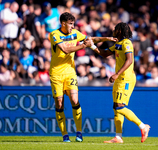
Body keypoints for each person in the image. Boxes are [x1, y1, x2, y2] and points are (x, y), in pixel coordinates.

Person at [49, 12, 117, 143]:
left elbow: (90, 39)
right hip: (56, 74)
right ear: (63, 23)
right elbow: (65, 50)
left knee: (75, 100)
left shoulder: (75, 33)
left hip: (70, 72)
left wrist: (107, 38)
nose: (73, 26)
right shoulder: (54, 35)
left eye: (73, 24)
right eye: (70, 24)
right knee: (59, 103)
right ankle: (65, 135)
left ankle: (79, 133)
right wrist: (83, 46)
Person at [91, 22, 150, 143]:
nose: (114, 30)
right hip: (119, 78)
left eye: (116, 29)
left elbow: (129, 60)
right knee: (116, 106)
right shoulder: (118, 43)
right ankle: (118, 137)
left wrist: (117, 74)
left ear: (120, 31)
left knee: (120, 107)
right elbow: (105, 53)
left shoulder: (127, 43)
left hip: (126, 78)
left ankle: (143, 127)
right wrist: (92, 46)